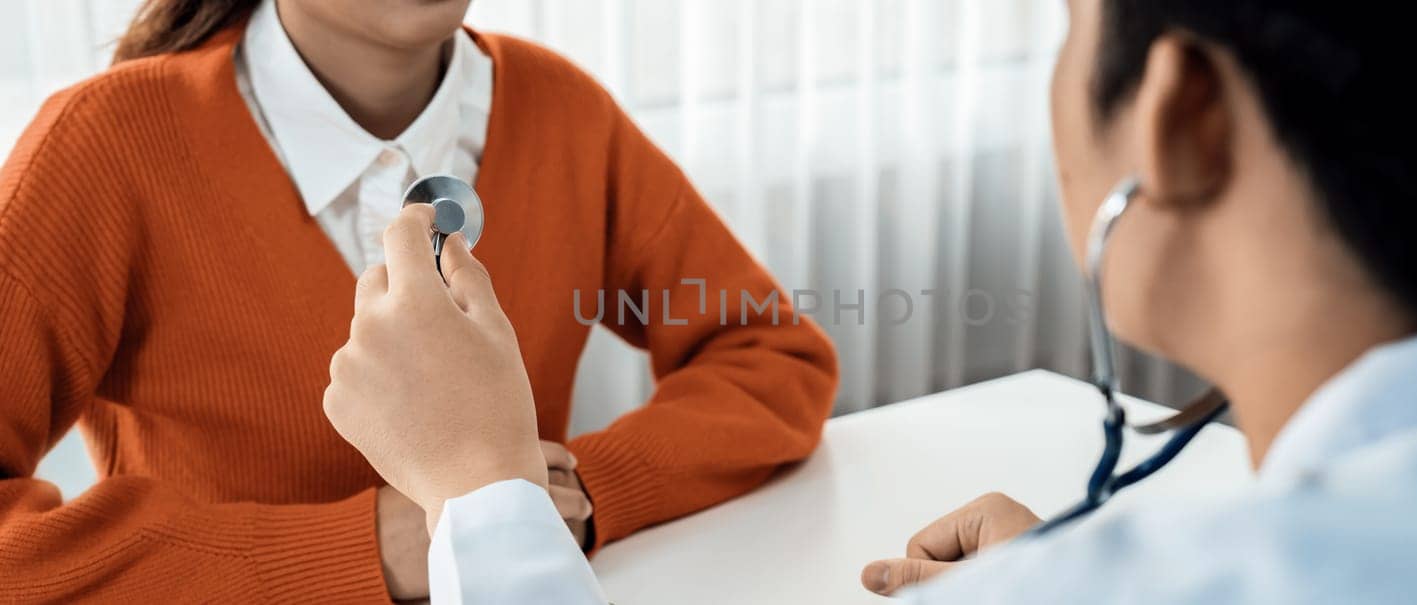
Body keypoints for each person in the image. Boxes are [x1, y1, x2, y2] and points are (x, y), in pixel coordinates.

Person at [320, 0, 1417, 602]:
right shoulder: (116, 137)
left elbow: (773, 355)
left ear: (1183, 119)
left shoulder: (555, 106)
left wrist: (494, 494)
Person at [0, 0, 837, 601]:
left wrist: (558, 500)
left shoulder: (563, 111)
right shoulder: (102, 147)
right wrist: (371, 547)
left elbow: (771, 354)